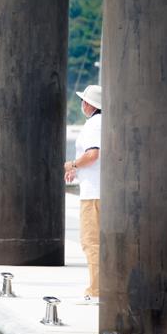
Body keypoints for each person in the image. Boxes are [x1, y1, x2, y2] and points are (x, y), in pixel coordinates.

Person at [64, 84, 102, 302]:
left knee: (91, 241)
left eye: (83, 101)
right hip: (100, 189)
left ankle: (96, 290)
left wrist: (71, 164)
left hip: (93, 193)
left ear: (88, 104)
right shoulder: (103, 123)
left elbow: (92, 154)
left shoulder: (93, 125)